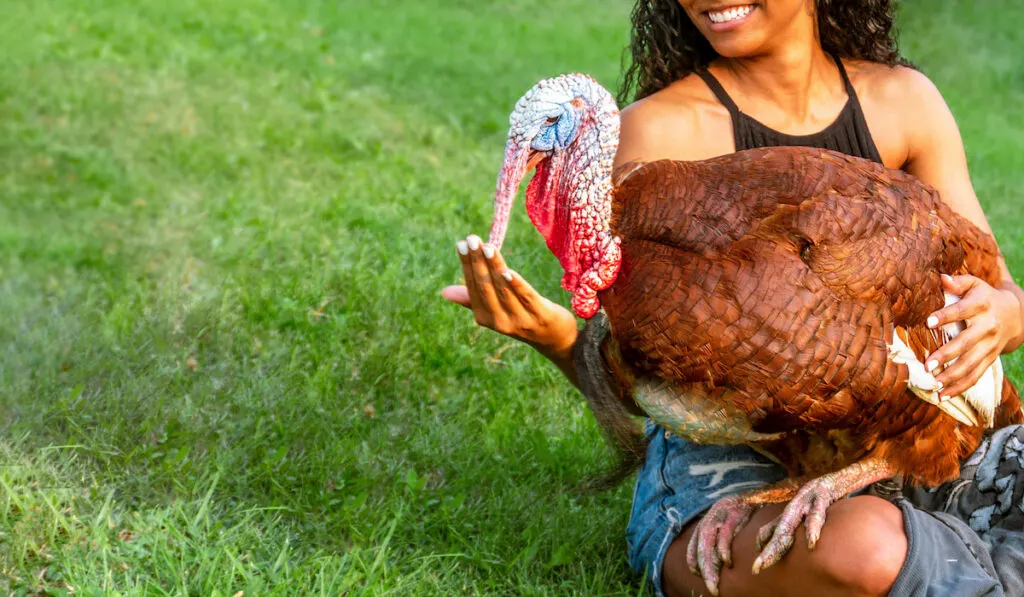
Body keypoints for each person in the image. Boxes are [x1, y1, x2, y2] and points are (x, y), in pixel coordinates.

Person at [442, 1, 1024, 595]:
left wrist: (1002, 315)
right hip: (732, 454)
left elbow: (1001, 294)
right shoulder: (658, 131)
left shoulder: (903, 102)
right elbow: (647, 377)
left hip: (902, 432)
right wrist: (556, 339)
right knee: (864, 548)